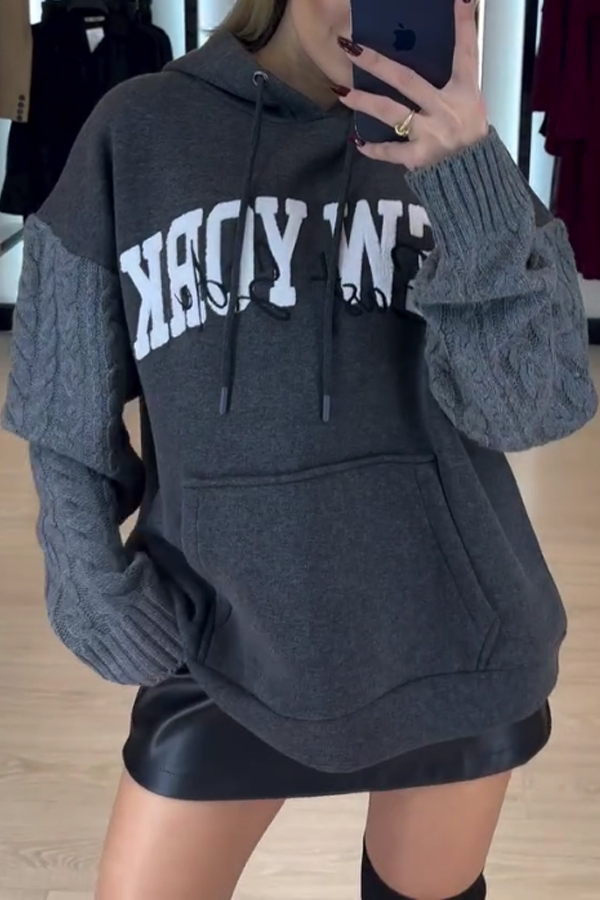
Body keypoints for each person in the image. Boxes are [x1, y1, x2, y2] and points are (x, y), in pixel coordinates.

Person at [2, 0, 597, 897]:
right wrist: (93, 584)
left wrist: (467, 175)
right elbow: (61, 399)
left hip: (454, 640)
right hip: (225, 641)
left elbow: (533, 408)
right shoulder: (138, 129)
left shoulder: (459, 152)